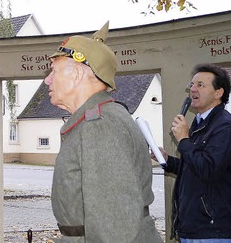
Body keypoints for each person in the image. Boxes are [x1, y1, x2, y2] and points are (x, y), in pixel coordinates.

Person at [45, 22, 162, 242]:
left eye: (54, 71)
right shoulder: (97, 119)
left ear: (77, 74)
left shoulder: (100, 125)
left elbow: (114, 228)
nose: (47, 79)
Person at [156, 64, 231, 241]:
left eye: (200, 85)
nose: (193, 89)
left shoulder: (224, 127)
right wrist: (168, 160)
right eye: (192, 85)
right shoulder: (200, 123)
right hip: (191, 228)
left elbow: (208, 169)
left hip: (211, 231)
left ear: (218, 93)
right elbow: (194, 166)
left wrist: (183, 140)